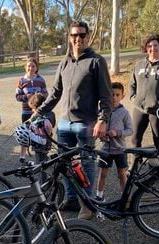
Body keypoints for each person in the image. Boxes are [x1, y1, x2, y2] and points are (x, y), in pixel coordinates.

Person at [34, 20, 112, 220]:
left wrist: (102, 120)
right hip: (64, 124)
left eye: (82, 35)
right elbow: (55, 93)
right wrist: (39, 112)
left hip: (85, 123)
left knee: (86, 163)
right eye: (74, 35)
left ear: (88, 36)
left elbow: (106, 95)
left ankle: (88, 205)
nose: (78, 39)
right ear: (69, 37)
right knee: (65, 163)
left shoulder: (96, 61)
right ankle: (71, 199)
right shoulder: (64, 62)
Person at [129, 34, 159, 153]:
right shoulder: (139, 64)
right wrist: (133, 98)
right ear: (146, 48)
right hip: (139, 109)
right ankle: (134, 166)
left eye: (155, 45)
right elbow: (132, 84)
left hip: (157, 110)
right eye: (149, 46)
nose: (153, 48)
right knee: (135, 139)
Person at [96, 82, 133, 200]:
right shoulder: (102, 111)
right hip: (105, 149)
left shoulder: (125, 113)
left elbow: (130, 130)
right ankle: (99, 196)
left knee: (122, 174)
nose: (114, 97)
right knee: (103, 174)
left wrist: (117, 133)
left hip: (120, 149)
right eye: (112, 94)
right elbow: (97, 126)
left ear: (123, 96)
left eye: (117, 95)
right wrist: (100, 135)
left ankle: (125, 198)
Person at [15, 57, 48, 164]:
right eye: (29, 66)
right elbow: (17, 96)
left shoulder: (41, 80)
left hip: (38, 112)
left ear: (36, 67)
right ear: (25, 67)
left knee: (39, 132)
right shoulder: (21, 81)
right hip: (26, 111)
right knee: (25, 132)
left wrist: (40, 96)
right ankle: (22, 154)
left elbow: (46, 94)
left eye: (33, 66)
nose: (31, 68)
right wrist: (26, 96)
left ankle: (41, 153)